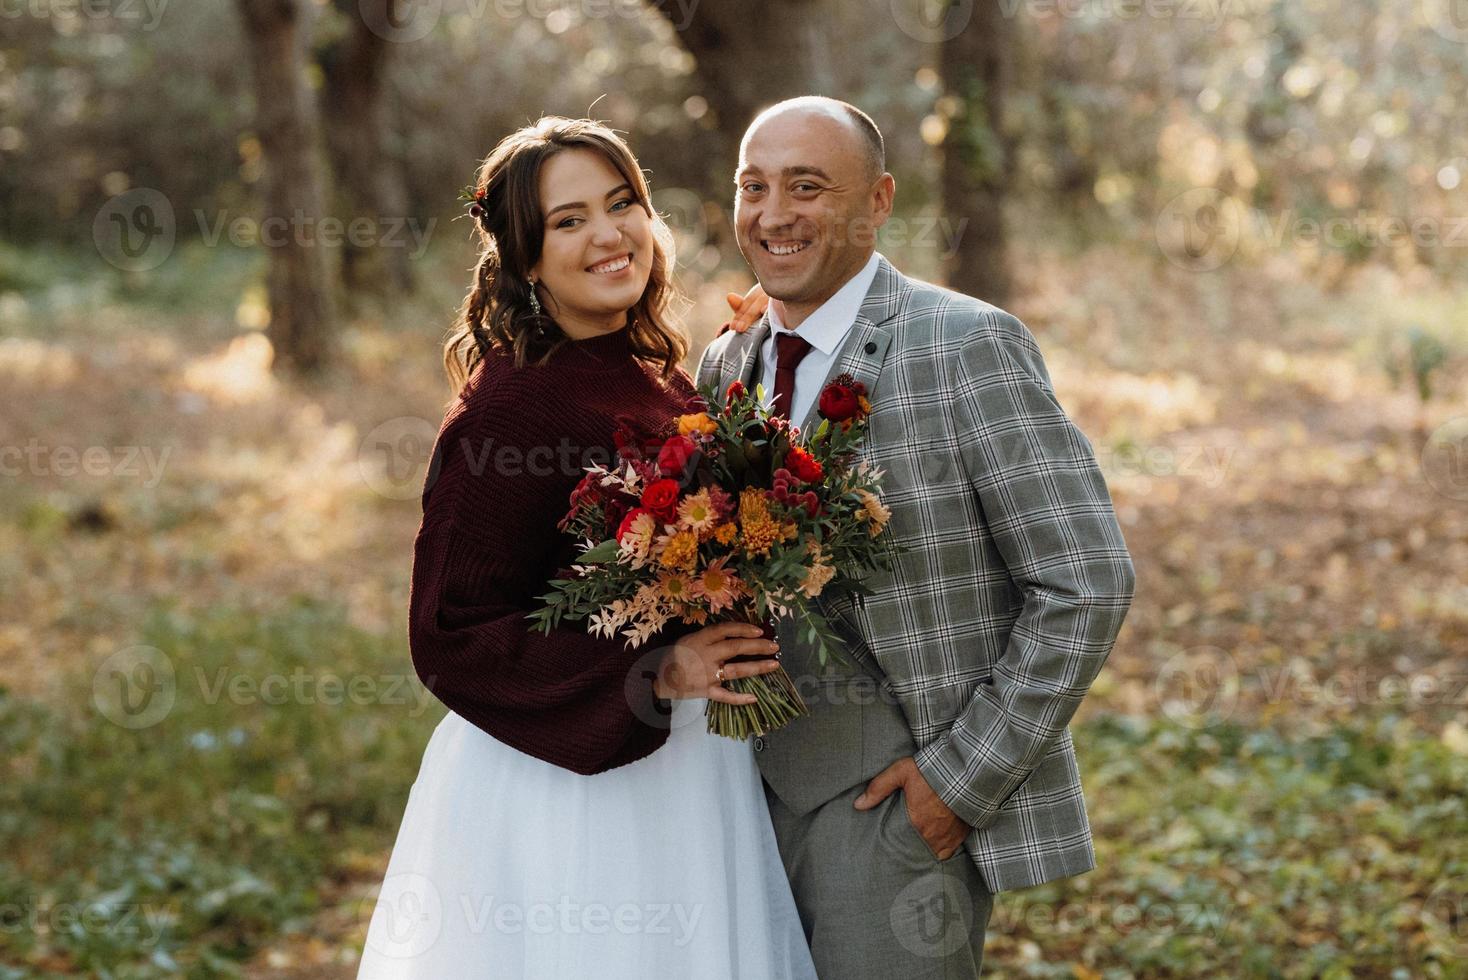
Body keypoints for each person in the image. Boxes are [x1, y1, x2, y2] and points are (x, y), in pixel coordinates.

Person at [356, 117, 818, 980]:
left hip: (692, 771)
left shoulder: (656, 374)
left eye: (622, 204)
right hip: (572, 790)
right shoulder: (507, 412)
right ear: (525, 259)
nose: (609, 235)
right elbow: (450, 634)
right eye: (568, 221)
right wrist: (656, 673)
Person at [703, 96, 1137, 978]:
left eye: (808, 186)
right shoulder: (725, 363)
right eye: (755, 186)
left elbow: (1086, 580)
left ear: (878, 201)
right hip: (730, 808)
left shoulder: (964, 344)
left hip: (893, 807)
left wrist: (958, 781)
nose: (774, 213)